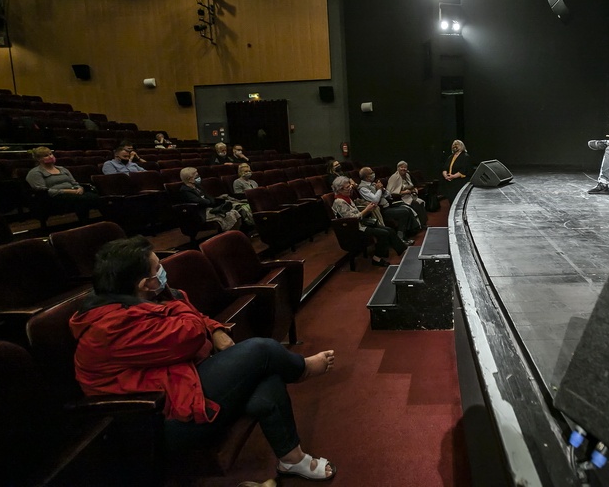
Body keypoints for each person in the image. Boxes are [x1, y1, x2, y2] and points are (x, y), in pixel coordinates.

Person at [69, 236, 336, 480]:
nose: (163, 269)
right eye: (157, 266)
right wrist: (199, 321)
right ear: (144, 284)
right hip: (153, 420)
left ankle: (291, 460)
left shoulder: (142, 300)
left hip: (177, 383)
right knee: (261, 350)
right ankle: (302, 369)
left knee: (267, 376)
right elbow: (192, 332)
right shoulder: (112, 327)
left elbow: (191, 322)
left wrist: (215, 327)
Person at [331, 176, 407, 267]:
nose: (350, 189)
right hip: (354, 229)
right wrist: (367, 209)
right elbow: (353, 219)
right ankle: (376, 258)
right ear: (340, 189)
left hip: (361, 224)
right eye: (347, 187)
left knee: (389, 230)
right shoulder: (339, 202)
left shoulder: (346, 197)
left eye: (349, 186)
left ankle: (403, 251)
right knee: (384, 233)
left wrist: (369, 208)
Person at [25, 146, 101, 222]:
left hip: (74, 192)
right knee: (82, 199)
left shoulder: (62, 169)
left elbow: (74, 182)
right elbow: (43, 191)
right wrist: (68, 191)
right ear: (38, 159)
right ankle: (85, 223)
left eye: (51, 154)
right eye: (46, 156)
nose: (50, 156)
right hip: (54, 197)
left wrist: (79, 188)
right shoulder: (35, 173)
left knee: (94, 196)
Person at [358, 167, 421, 239]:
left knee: (407, 207)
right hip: (380, 210)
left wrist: (383, 190)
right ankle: (401, 237)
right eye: (371, 173)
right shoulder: (363, 188)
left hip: (387, 205)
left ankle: (409, 232)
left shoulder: (373, 183)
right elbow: (375, 200)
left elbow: (388, 195)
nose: (373, 174)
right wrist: (379, 190)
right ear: (367, 176)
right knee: (404, 212)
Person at [179, 167, 243, 232]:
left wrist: (210, 201)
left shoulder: (197, 186)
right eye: (196, 176)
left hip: (209, 208)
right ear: (190, 179)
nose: (199, 177)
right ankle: (229, 236)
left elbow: (209, 197)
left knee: (234, 212)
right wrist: (209, 201)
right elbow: (200, 202)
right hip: (200, 213)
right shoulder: (185, 190)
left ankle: (236, 234)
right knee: (229, 215)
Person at [386, 160, 428, 228]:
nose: (403, 169)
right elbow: (390, 192)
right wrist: (403, 192)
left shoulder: (407, 175)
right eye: (401, 167)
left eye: (405, 167)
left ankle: (424, 223)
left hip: (410, 195)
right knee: (415, 203)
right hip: (401, 198)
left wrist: (413, 190)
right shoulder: (394, 177)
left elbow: (411, 185)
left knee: (421, 202)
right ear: (398, 168)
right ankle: (418, 225)